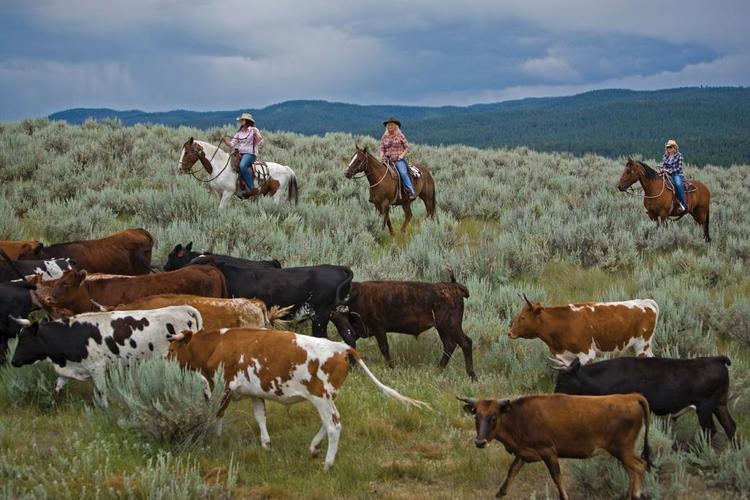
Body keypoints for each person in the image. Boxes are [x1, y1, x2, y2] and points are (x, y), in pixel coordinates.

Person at [222, 112, 263, 197]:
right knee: (230, 164)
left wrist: (256, 136)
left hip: (251, 154)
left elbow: (259, 141)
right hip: (240, 153)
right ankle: (237, 186)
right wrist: (225, 141)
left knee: (243, 165)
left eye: (243, 120)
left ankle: (252, 187)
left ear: (247, 121)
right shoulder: (239, 132)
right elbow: (232, 144)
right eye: (241, 120)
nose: (241, 121)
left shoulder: (253, 130)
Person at [380, 117, 416, 200]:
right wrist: (381, 156)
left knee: (403, 173)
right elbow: (382, 149)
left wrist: (402, 155)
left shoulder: (400, 136)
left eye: (392, 125)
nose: (390, 126)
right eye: (388, 125)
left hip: (398, 160)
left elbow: (407, 147)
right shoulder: (384, 137)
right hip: (387, 160)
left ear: (396, 126)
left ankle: (411, 191)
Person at [660, 139, 687, 213]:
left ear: (674, 148)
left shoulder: (679, 156)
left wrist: (668, 171)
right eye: (668, 147)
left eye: (670, 147)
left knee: (678, 185)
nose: (669, 149)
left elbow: (679, 168)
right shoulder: (665, 156)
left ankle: (683, 205)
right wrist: (662, 169)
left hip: (677, 174)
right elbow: (664, 165)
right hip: (667, 174)